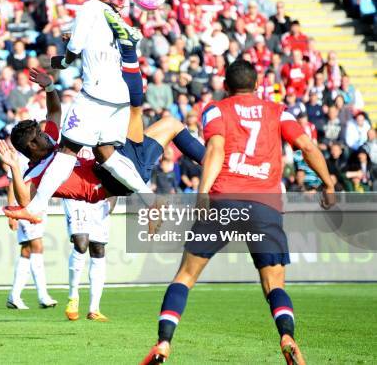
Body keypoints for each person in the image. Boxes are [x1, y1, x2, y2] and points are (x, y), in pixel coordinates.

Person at [140, 60, 336, 365]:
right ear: (257, 85)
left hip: (225, 201)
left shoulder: (216, 109)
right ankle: (287, 336)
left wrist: (203, 192)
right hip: (265, 206)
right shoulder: (278, 111)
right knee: (274, 285)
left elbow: (216, 150)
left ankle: (164, 342)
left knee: (185, 276)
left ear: (226, 86)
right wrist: (328, 182)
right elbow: (308, 147)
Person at [4, 6, 204, 221]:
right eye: (41, 136)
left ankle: (215, 166)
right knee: (123, 121)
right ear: (32, 146)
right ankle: (128, 49)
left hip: (125, 167)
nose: (46, 134)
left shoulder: (50, 141)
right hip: (111, 179)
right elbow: (24, 200)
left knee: (170, 124)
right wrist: (15, 166)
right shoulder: (33, 175)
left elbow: (54, 111)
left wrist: (50, 87)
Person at [6, 146, 57, 310]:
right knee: (37, 245)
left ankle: (14, 295)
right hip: (26, 207)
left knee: (27, 250)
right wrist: (11, 211)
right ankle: (43, 295)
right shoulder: (20, 157)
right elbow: (12, 183)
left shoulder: (42, 155)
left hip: (37, 205)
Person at [63, 197, 114, 322]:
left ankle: (94, 309)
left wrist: (113, 195)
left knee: (98, 248)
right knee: (81, 244)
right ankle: (73, 298)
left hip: (100, 198)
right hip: (76, 196)